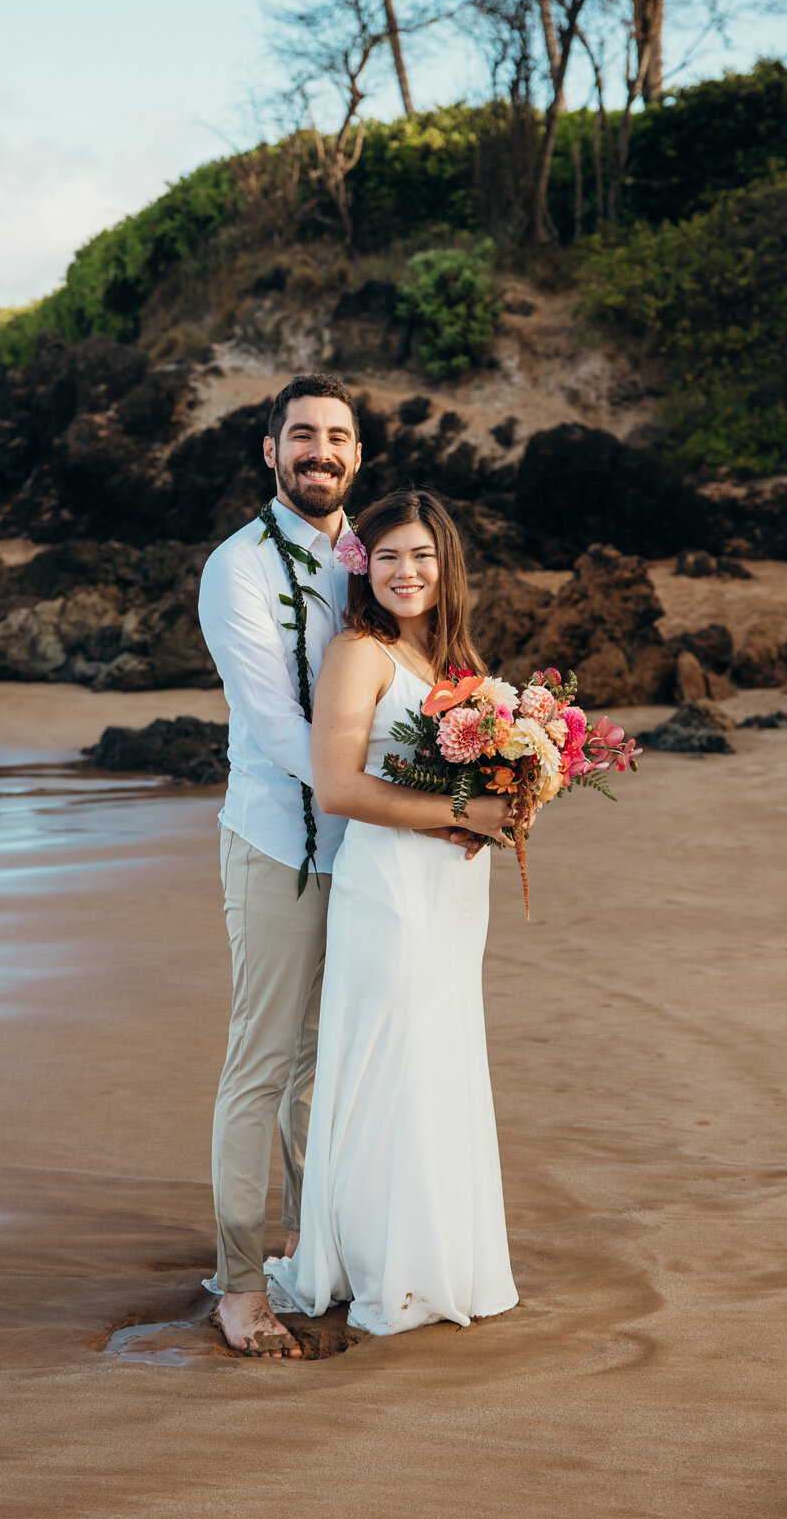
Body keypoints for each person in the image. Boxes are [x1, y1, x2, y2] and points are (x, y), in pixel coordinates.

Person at [198, 383, 507, 1359]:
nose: (318, 451)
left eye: (336, 437)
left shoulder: (363, 554)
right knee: (265, 1062)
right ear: (269, 450)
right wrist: (420, 797)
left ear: (359, 455)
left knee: (331, 1065)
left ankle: (318, 1243)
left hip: (379, 856)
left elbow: (414, 666)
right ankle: (242, 1285)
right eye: (301, 437)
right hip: (284, 842)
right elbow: (289, 732)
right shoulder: (236, 569)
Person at [266, 488, 520, 1337]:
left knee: (439, 1058)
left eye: (421, 556)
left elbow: (479, 772)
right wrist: (461, 812)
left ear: (447, 564)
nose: (406, 573)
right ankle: (386, 1268)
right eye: (387, 557)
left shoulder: (456, 666)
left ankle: (443, 1253)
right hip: (392, 890)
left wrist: (519, 791)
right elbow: (338, 786)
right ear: (362, 568)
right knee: (388, 1061)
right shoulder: (359, 653)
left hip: (451, 891)